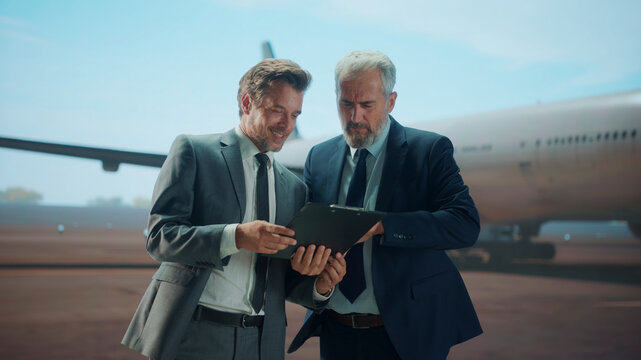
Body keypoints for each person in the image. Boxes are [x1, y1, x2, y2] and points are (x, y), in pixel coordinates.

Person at [122, 58, 346, 360]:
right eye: (277, 110)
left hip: (262, 341)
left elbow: (284, 281)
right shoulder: (194, 151)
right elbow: (160, 238)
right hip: (194, 331)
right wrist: (236, 236)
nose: (287, 125)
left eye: (294, 114)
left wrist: (319, 283)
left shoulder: (295, 189)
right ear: (246, 103)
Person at [288, 51, 482, 360]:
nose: (355, 117)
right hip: (336, 331)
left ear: (390, 102)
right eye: (346, 104)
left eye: (367, 105)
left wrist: (383, 226)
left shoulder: (429, 150)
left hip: (407, 334)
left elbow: (465, 224)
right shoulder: (319, 157)